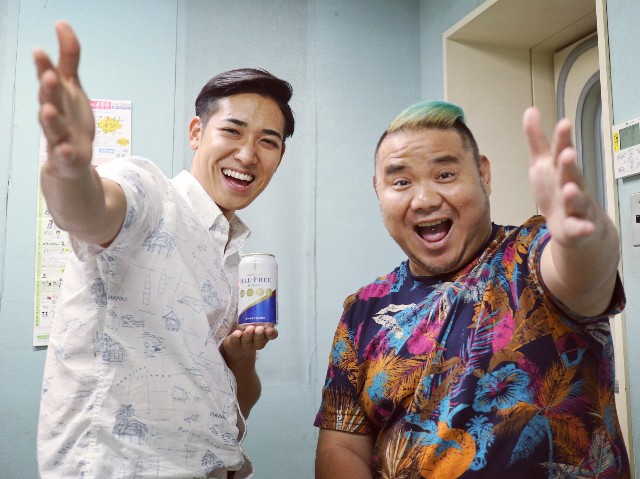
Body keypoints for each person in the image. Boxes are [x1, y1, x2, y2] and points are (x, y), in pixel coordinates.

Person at [314, 100, 630, 478]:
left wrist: (586, 234)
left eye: (445, 174)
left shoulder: (529, 256)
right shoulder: (364, 310)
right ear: (378, 192)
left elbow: (585, 270)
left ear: (483, 174)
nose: (425, 200)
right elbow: (342, 445)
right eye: (401, 182)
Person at [35, 21, 294, 478]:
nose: (248, 155)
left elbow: (234, 405)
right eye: (232, 131)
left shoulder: (231, 260)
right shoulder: (149, 191)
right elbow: (87, 211)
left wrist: (242, 358)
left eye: (267, 142)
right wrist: (69, 168)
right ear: (196, 132)